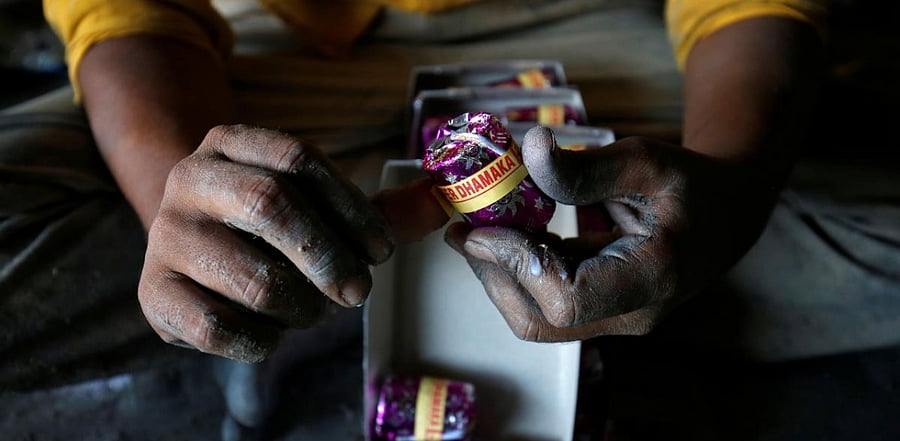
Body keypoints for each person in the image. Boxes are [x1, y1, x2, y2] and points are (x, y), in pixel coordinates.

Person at [3, 0, 898, 438]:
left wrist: (734, 185)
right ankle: (281, 286)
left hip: (588, 24)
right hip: (252, 54)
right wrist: (185, 193)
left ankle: (648, 278)